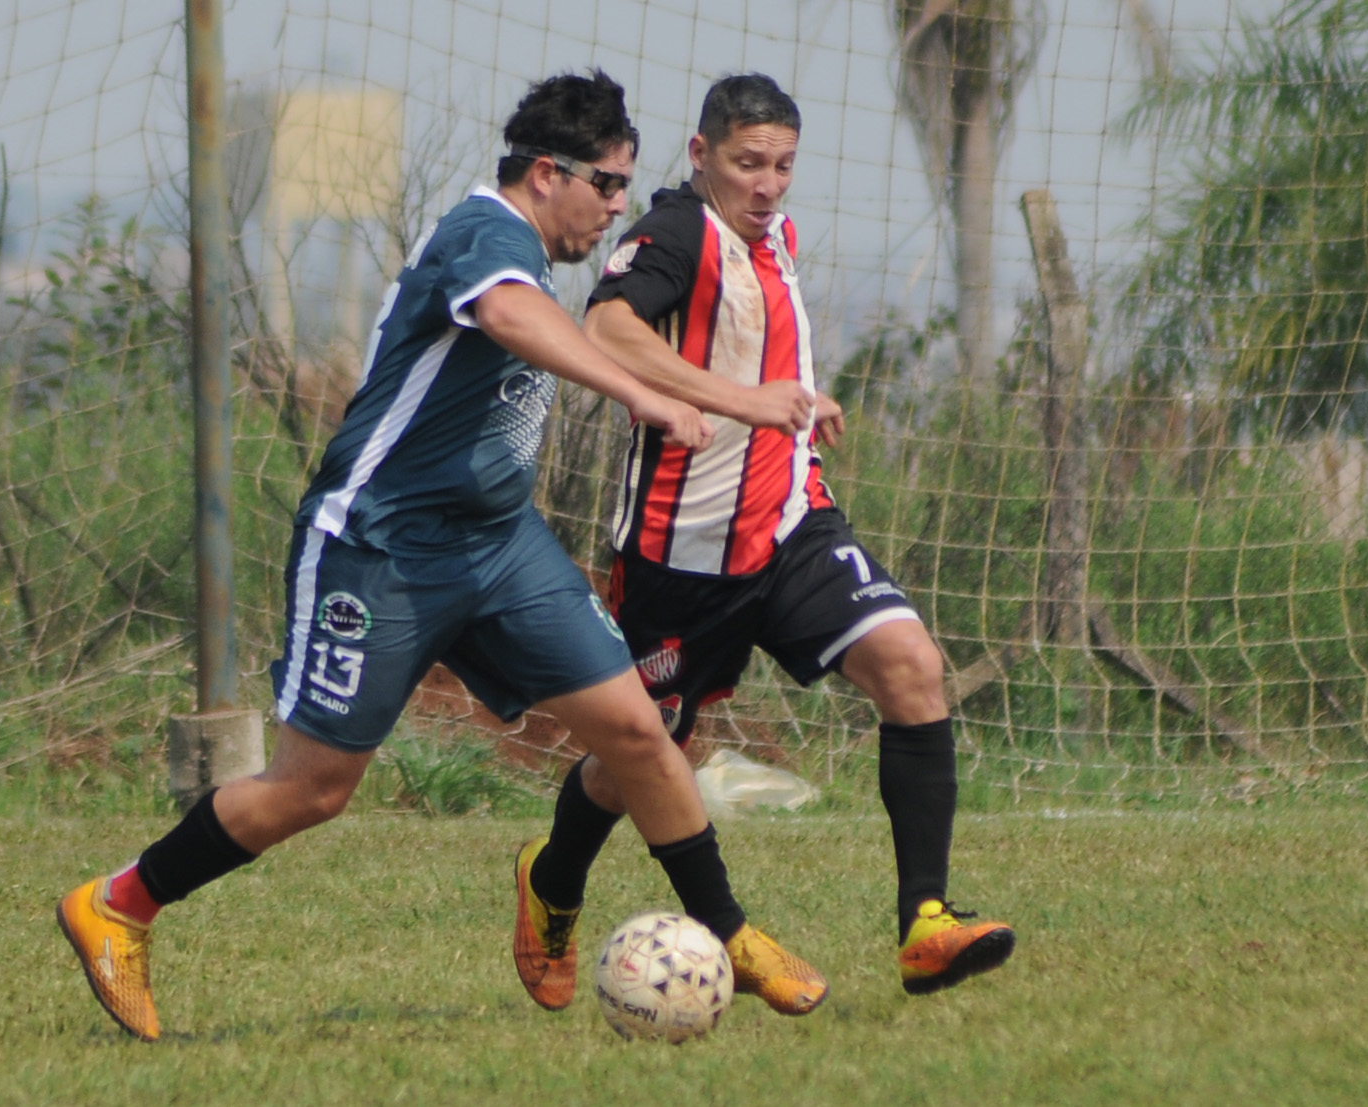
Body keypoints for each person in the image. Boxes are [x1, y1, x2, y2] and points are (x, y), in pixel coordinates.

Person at [56, 70, 826, 1042]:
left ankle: (730, 934)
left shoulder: (530, 252)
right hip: (380, 548)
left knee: (639, 729)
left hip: (499, 545)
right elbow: (506, 315)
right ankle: (118, 903)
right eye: (605, 184)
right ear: (546, 173)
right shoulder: (483, 233)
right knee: (313, 789)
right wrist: (639, 394)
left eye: (625, 187)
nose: (616, 207)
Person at [512, 73, 1014, 1011]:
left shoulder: (770, 233)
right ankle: (552, 880)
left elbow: (749, 340)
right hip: (680, 556)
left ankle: (926, 922)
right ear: (700, 155)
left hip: (789, 523)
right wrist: (746, 402)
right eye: (748, 163)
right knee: (640, 755)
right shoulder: (676, 231)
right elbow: (607, 327)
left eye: (782, 165)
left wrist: (798, 399)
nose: (768, 184)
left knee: (911, 665)